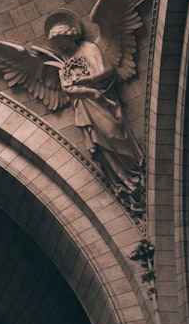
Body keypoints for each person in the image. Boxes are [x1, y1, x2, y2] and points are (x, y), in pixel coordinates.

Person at [45, 10, 144, 202]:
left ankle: (134, 170)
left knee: (113, 133)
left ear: (69, 35)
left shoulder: (88, 48)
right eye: (56, 44)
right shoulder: (64, 64)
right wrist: (82, 89)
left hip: (103, 102)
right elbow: (68, 88)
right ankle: (124, 180)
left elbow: (108, 70)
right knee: (100, 144)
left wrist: (88, 81)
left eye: (60, 41)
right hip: (85, 106)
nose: (59, 46)